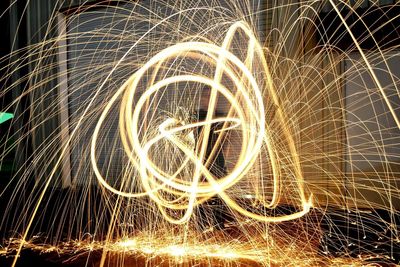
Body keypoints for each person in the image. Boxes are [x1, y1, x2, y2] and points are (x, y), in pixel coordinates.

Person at [194, 86, 227, 231]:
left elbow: (225, 139)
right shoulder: (196, 116)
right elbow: (185, 135)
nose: (208, 98)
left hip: (217, 160)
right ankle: (201, 225)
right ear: (202, 97)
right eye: (206, 95)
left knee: (220, 193)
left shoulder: (219, 117)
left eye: (212, 95)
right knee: (200, 193)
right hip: (201, 160)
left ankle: (218, 224)